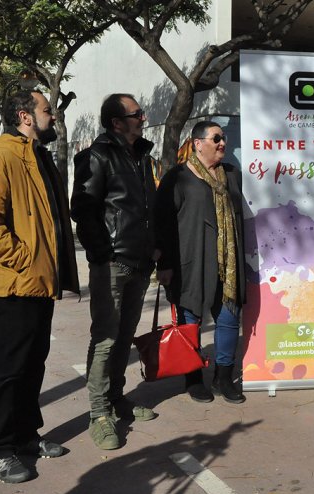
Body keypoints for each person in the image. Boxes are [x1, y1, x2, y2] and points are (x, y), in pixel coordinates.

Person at [0, 90, 79, 483]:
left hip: (39, 282)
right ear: (25, 116)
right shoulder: (0, 157)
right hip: (16, 284)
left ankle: (27, 439)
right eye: (48, 110)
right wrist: (25, 261)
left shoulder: (37, 156)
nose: (54, 116)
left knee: (33, 364)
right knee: (8, 369)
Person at [70, 93, 160, 451]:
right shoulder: (96, 156)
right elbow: (84, 212)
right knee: (106, 339)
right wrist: (104, 256)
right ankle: (98, 413)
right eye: (137, 114)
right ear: (116, 123)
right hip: (113, 263)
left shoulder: (140, 156)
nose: (144, 117)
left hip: (140, 262)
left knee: (125, 336)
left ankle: (117, 398)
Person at [155, 120, 247, 404]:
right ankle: (194, 378)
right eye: (216, 138)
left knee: (229, 319)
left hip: (228, 263)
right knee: (190, 321)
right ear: (198, 143)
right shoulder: (178, 176)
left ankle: (223, 377)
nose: (223, 143)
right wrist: (165, 264)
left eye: (224, 138)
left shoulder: (232, 175)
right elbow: (163, 223)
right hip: (190, 262)